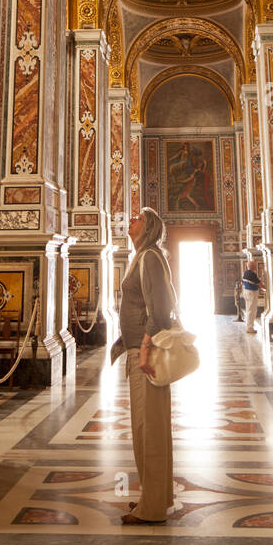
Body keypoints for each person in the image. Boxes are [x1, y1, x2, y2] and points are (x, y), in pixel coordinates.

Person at [114, 206, 177, 525]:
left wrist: (143, 349)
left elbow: (160, 311)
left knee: (148, 430)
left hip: (147, 356)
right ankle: (156, 497)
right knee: (145, 429)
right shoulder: (140, 256)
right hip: (138, 349)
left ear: (149, 226)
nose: (132, 220)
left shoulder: (150, 257)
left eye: (138, 218)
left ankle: (151, 509)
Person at [241, 264, 263, 334]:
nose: (256, 266)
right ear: (252, 266)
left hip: (246, 292)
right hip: (251, 292)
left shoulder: (245, 272)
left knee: (249, 309)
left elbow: (242, 283)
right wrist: (266, 289)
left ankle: (249, 326)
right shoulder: (252, 274)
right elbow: (259, 283)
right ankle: (250, 328)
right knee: (252, 310)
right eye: (254, 265)